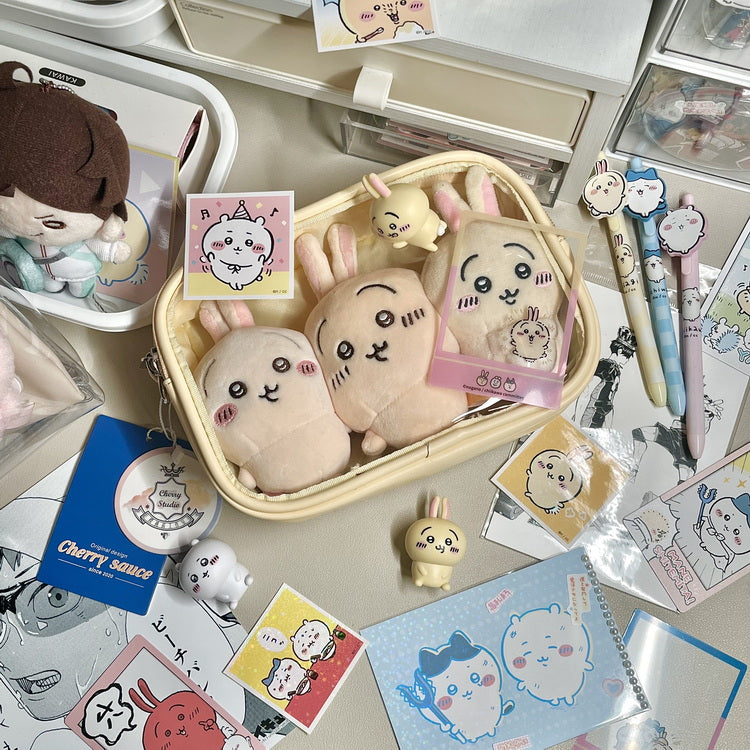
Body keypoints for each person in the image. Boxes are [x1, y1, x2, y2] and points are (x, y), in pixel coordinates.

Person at [574, 326, 637, 428]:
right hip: (588, 418)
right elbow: (586, 392)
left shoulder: (616, 372)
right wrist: (576, 421)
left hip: (600, 420)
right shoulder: (605, 366)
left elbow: (610, 402)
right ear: (620, 351)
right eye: (626, 357)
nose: (626, 361)